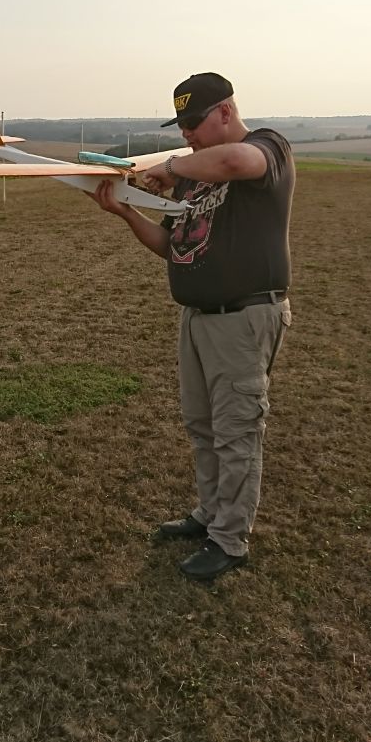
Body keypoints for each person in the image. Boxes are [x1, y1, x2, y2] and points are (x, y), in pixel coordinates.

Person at [91, 72, 295, 581]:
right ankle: (210, 514)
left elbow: (234, 162)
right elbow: (171, 245)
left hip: (243, 318)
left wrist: (168, 166)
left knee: (236, 431)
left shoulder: (267, 147)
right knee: (202, 426)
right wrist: (126, 213)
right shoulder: (192, 172)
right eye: (180, 126)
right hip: (198, 316)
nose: (186, 134)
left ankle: (230, 540)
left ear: (225, 111)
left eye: (194, 123)